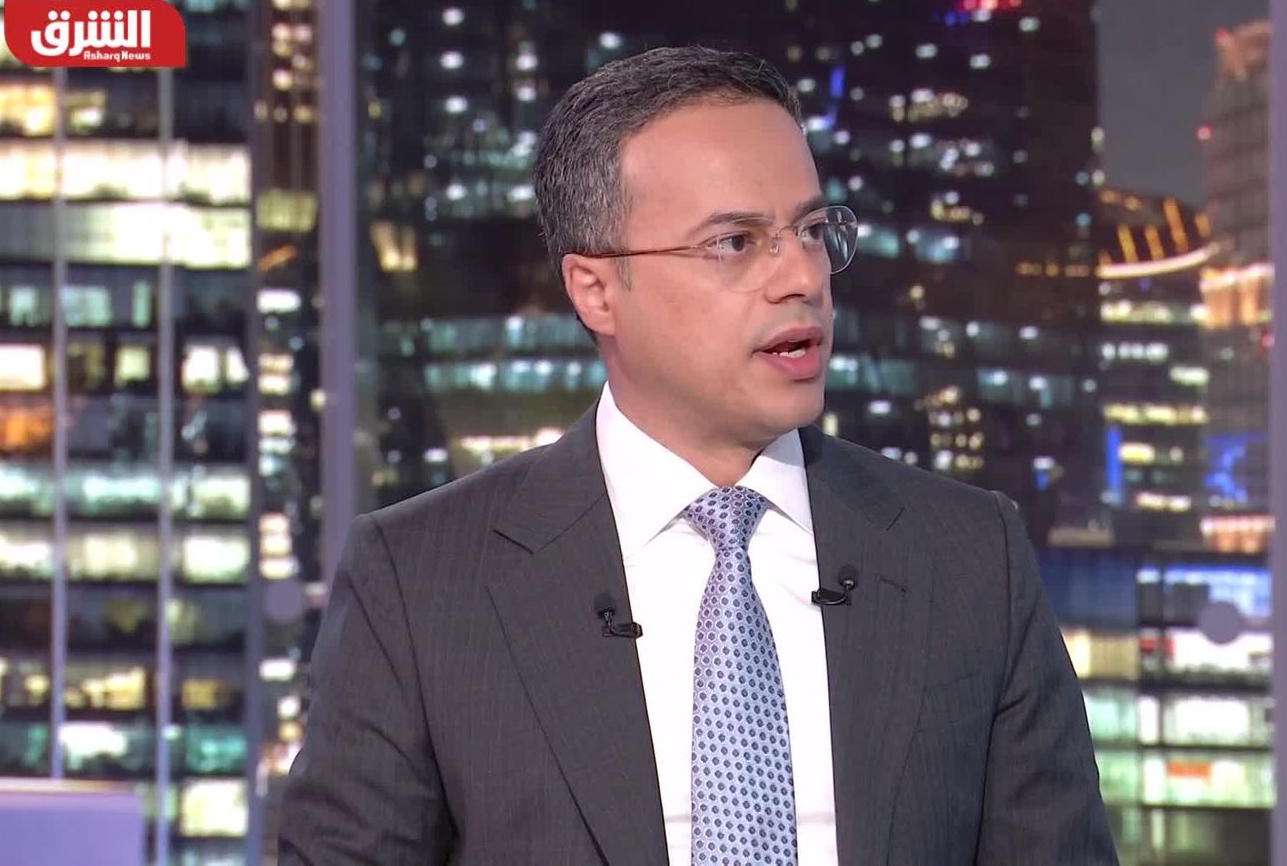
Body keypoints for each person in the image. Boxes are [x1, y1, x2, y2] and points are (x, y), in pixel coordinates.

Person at [279, 45, 1117, 865]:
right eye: (735, 243)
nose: (802, 278)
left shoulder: (970, 556)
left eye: (812, 230)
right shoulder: (420, 581)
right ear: (596, 289)